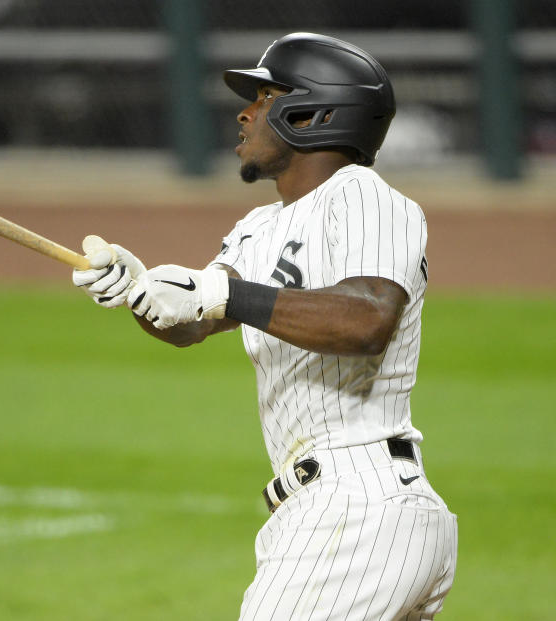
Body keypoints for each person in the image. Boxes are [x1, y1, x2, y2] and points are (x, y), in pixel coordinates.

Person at [74, 33, 457, 619]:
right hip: (335, 513)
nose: (244, 112)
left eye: (264, 96)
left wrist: (219, 291)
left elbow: (367, 320)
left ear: (312, 113)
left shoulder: (364, 198)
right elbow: (194, 323)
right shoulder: (260, 227)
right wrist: (137, 289)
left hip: (357, 509)